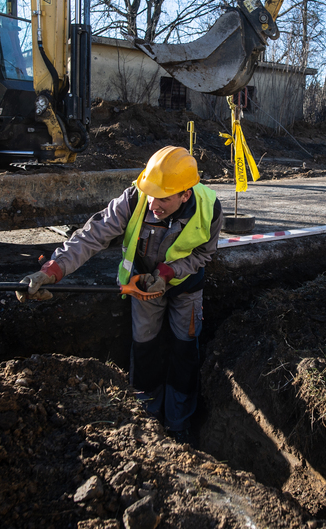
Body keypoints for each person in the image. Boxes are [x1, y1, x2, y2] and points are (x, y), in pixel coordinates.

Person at [16, 146, 223, 442]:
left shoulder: (210, 208)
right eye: (151, 194)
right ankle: (147, 418)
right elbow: (91, 236)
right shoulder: (135, 198)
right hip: (142, 286)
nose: (153, 204)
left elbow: (205, 253)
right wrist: (52, 270)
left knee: (185, 350)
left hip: (186, 287)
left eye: (163, 199)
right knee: (145, 348)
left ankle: (179, 423)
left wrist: (168, 273)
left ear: (185, 195)